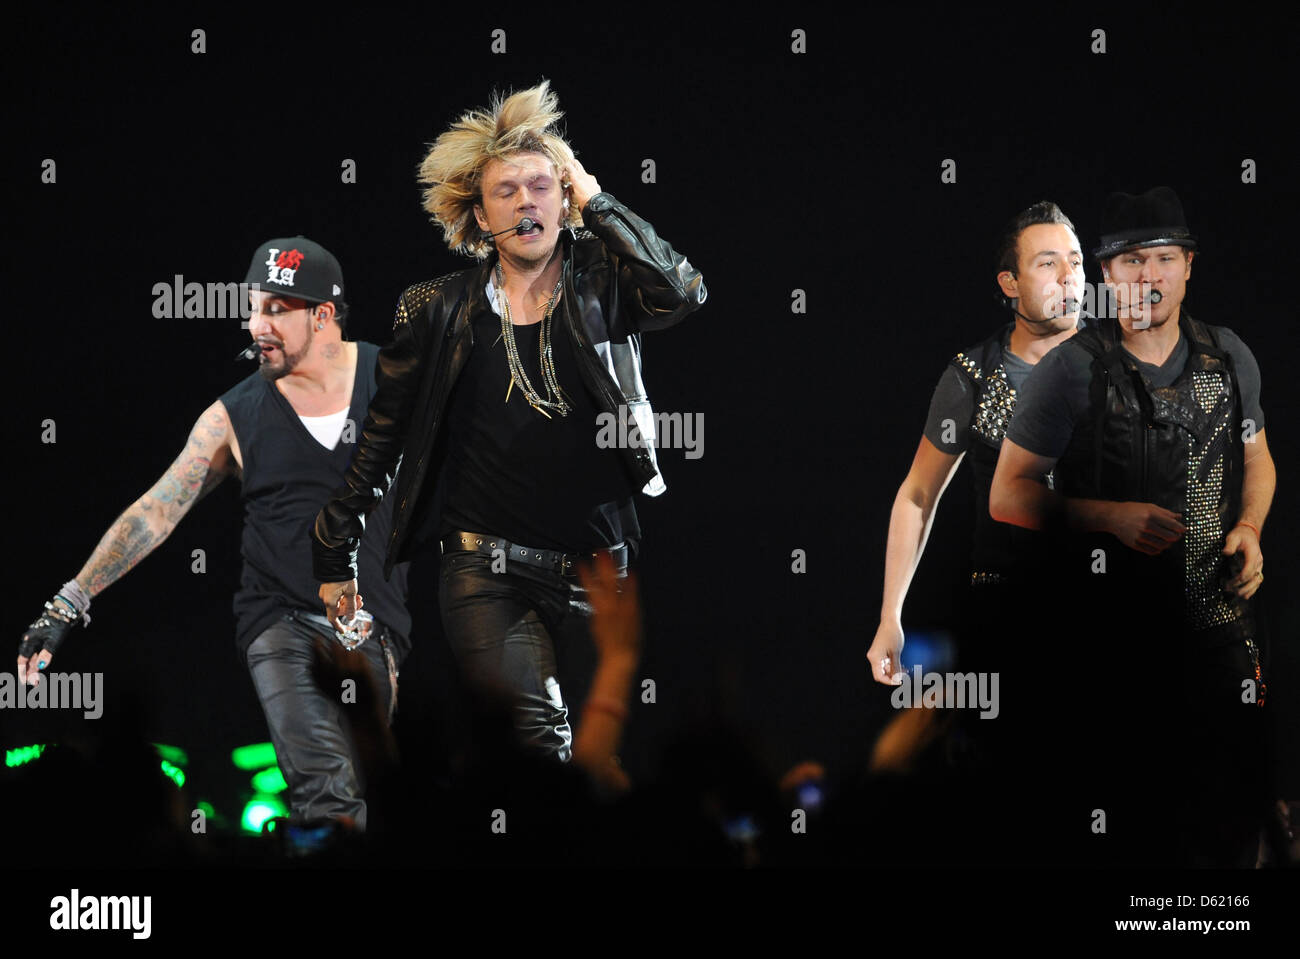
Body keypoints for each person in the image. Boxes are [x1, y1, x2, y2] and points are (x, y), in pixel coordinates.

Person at [311, 81, 705, 763]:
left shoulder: (605, 284)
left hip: (597, 568)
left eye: (542, 186)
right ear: (478, 215)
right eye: (507, 191)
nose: (528, 201)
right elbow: (384, 436)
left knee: (599, 757)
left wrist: (598, 199)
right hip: (484, 571)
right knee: (537, 745)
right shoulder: (434, 308)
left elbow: (682, 291)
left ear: (565, 198)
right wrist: (333, 549)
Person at [19, 236, 411, 847]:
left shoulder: (394, 383)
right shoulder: (234, 416)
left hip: (372, 621)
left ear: (323, 315)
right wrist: (67, 604)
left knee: (372, 792)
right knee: (326, 788)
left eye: (276, 309)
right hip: (280, 620)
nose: (258, 325)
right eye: (254, 307)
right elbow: (156, 512)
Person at [990, 186, 1275, 865]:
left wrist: (1252, 528)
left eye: (1166, 258)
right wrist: (1106, 517)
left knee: (1234, 825)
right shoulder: (1072, 369)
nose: (1151, 276)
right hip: (1108, 647)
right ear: (1107, 272)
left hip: (1216, 630)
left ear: (1189, 265)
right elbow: (1007, 493)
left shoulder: (1227, 357)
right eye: (1134, 261)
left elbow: (1258, 459)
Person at [868, 201, 1086, 683]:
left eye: (1076, 260)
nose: (1068, 275)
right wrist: (890, 615)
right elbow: (917, 495)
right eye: (1047, 263)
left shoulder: (1121, 362)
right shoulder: (973, 375)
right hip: (1007, 615)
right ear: (1010, 283)